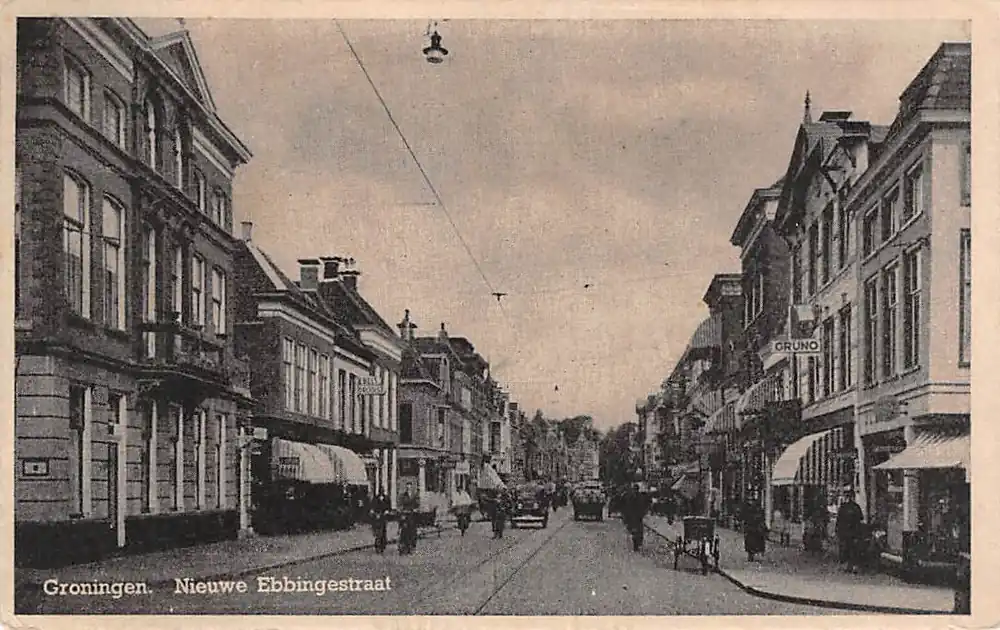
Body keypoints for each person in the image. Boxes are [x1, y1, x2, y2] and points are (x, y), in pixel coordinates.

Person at [835, 491, 864, 573]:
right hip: (853, 532)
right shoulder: (856, 507)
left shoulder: (843, 507)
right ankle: (853, 566)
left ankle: (846, 566)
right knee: (853, 549)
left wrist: (837, 530)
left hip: (844, 532)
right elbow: (860, 518)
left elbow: (839, 520)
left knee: (844, 549)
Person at [621, 484, 650, 552]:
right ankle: (635, 545)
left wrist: (643, 513)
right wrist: (625, 516)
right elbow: (625, 506)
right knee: (633, 532)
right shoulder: (629, 496)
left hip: (638, 517)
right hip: (631, 517)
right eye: (634, 489)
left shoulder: (641, 497)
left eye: (636, 489)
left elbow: (645, 505)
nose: (635, 491)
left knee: (639, 532)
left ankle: (638, 543)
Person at [741, 496, 766, 561]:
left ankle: (753, 554)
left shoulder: (756, 509)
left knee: (754, 542)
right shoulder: (747, 508)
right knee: (751, 542)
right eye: (750, 500)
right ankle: (751, 555)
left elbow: (761, 518)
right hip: (751, 528)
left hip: (754, 528)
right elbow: (743, 517)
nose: (751, 502)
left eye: (752, 500)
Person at [398, 483, 420, 554]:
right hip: (405, 515)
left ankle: (412, 547)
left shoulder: (415, 495)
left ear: (411, 487)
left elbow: (417, 504)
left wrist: (416, 509)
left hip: (412, 515)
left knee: (413, 532)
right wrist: (402, 511)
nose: (409, 488)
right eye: (407, 487)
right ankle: (405, 546)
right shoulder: (403, 495)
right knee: (404, 531)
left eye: (410, 487)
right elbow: (400, 504)